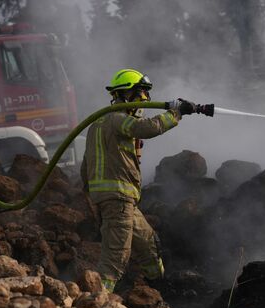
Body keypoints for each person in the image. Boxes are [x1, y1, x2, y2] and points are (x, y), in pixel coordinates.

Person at [80, 68, 195, 292]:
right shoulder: (118, 119)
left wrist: (92, 197)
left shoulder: (98, 124)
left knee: (148, 243)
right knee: (115, 259)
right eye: (142, 93)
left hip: (121, 201)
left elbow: (86, 165)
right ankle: (94, 304)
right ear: (126, 94)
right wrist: (176, 114)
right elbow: (145, 128)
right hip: (117, 200)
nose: (146, 99)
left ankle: (161, 290)